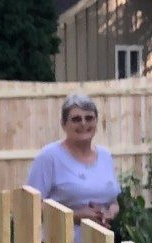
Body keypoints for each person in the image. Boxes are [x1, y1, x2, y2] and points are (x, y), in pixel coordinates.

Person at [24, 91, 120, 230]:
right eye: (76, 119)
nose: (83, 123)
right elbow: (30, 204)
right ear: (63, 124)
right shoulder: (50, 157)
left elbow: (113, 201)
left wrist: (110, 212)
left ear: (96, 122)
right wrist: (76, 215)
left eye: (89, 118)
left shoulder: (105, 156)